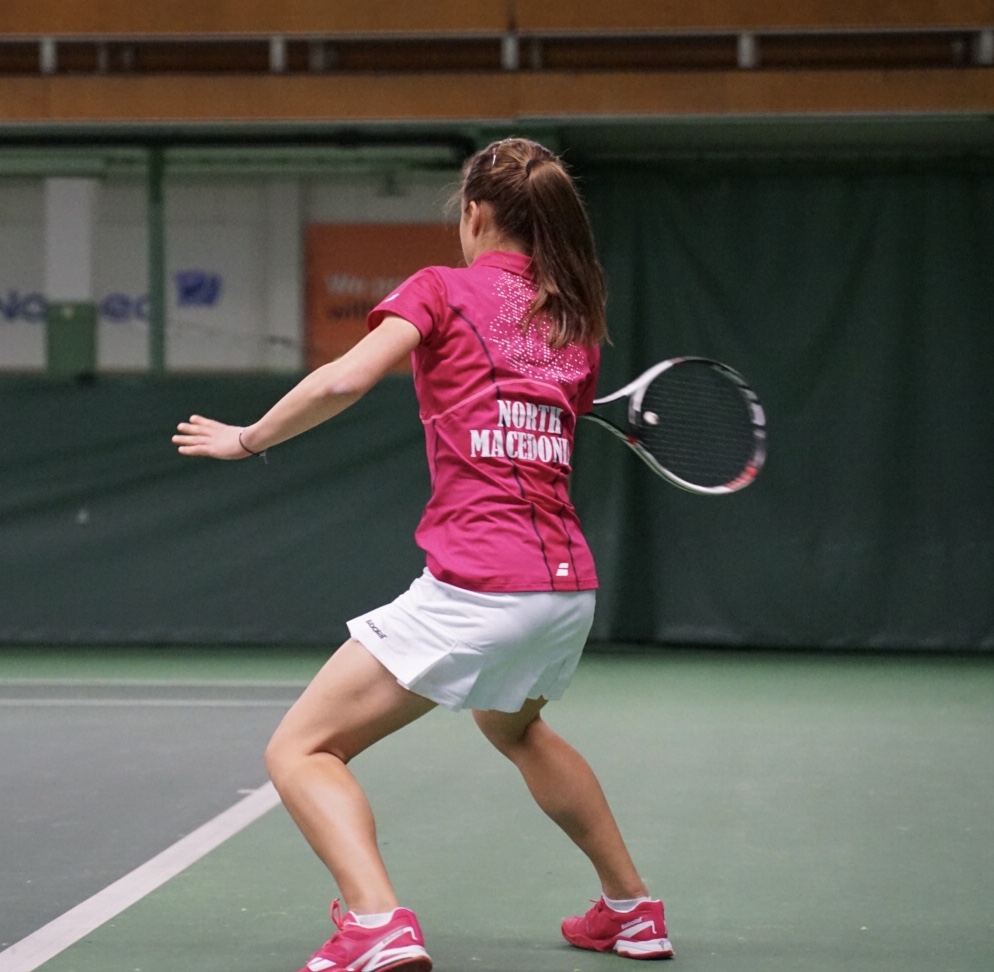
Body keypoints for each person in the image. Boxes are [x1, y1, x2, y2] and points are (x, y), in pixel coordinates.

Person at [173, 137, 673, 972]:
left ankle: (375, 922)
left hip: (482, 583)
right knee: (516, 728)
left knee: (300, 750)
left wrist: (248, 438)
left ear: (473, 214)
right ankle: (632, 910)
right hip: (565, 591)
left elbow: (344, 379)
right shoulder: (572, 323)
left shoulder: (440, 287)